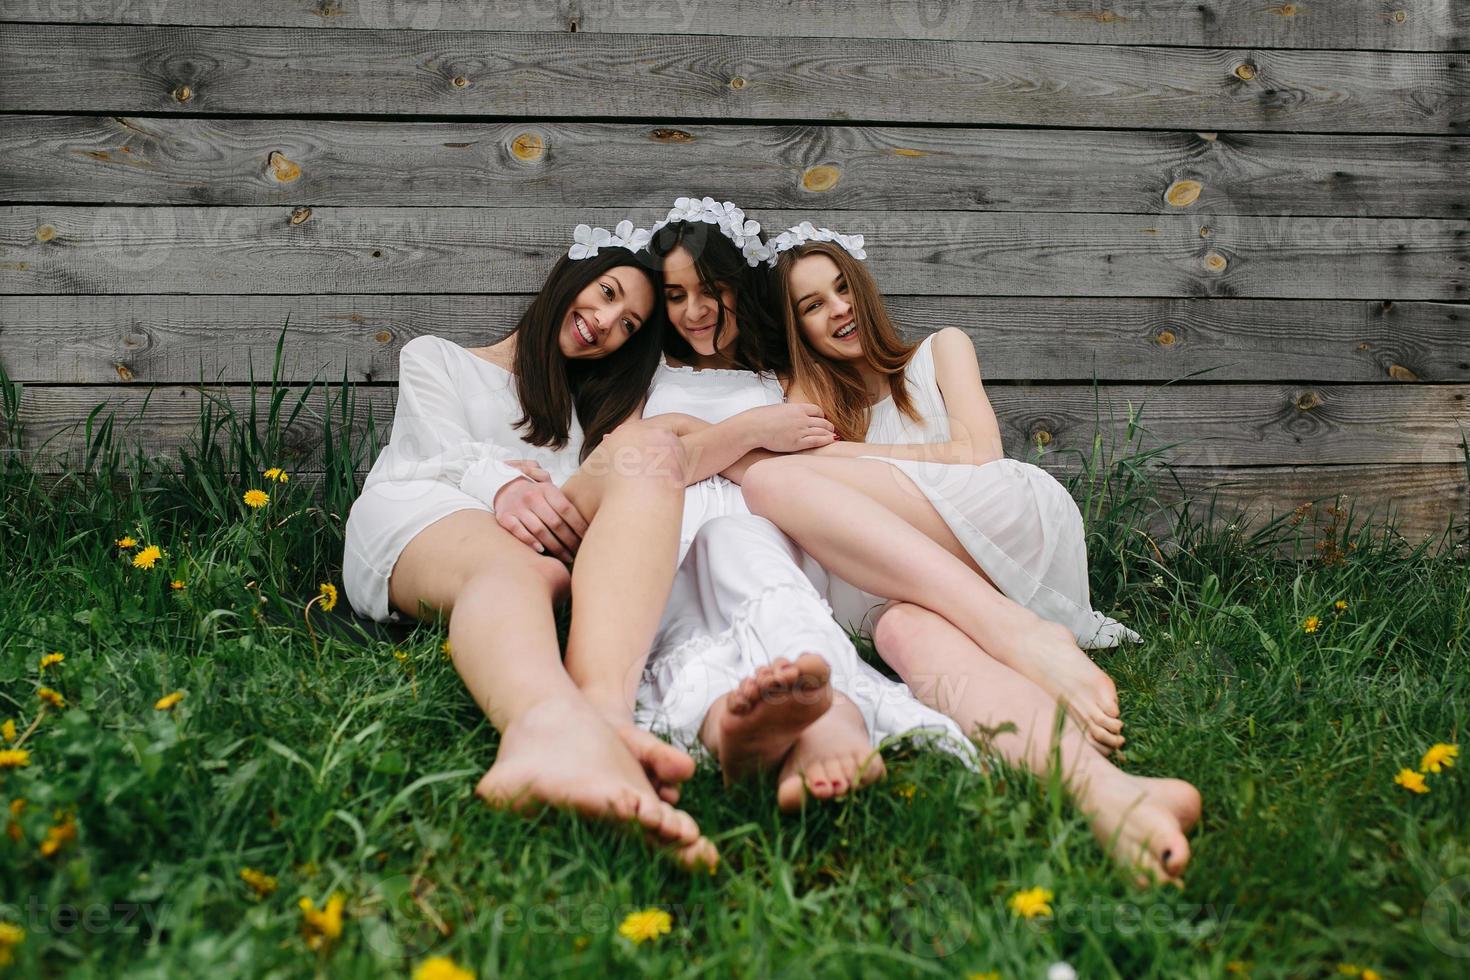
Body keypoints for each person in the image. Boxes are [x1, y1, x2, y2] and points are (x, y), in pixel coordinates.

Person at [727, 225, 1200, 881]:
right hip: (910, 582)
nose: (837, 310)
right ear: (797, 328)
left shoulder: (941, 350)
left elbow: (976, 456)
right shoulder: (804, 402)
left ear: (862, 289)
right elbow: (742, 456)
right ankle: (1103, 789)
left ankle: (1018, 631)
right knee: (901, 630)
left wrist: (833, 457)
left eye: (841, 289)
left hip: (1004, 522)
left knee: (778, 479)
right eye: (811, 306)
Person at [341, 224, 721, 871]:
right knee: (513, 566)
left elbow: (644, 471)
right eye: (605, 295)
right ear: (570, 276)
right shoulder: (439, 357)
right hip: (423, 511)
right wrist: (504, 490)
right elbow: (437, 455)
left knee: (650, 453)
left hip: (538, 551)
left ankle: (603, 716)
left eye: (629, 325)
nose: (605, 323)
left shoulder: (584, 421)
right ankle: (544, 727)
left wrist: (755, 429)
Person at [616, 199, 973, 811]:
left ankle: (819, 718)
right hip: (666, 520)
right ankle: (737, 726)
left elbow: (805, 471)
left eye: (709, 289)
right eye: (675, 296)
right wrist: (749, 430)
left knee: (745, 560)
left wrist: (693, 437)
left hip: (767, 524)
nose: (695, 311)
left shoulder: (787, 376)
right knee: (681, 622)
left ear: (738, 284)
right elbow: (630, 460)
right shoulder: (649, 373)